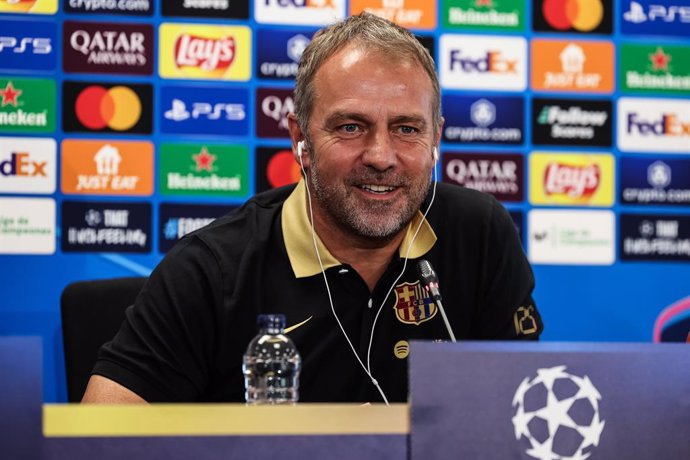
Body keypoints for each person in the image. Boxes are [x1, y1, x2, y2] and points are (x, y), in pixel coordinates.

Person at [82, 12, 542, 404]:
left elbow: (526, 411)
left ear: (436, 138)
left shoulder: (481, 235)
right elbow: (98, 438)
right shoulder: (211, 269)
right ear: (300, 139)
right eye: (350, 126)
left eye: (406, 129)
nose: (381, 156)